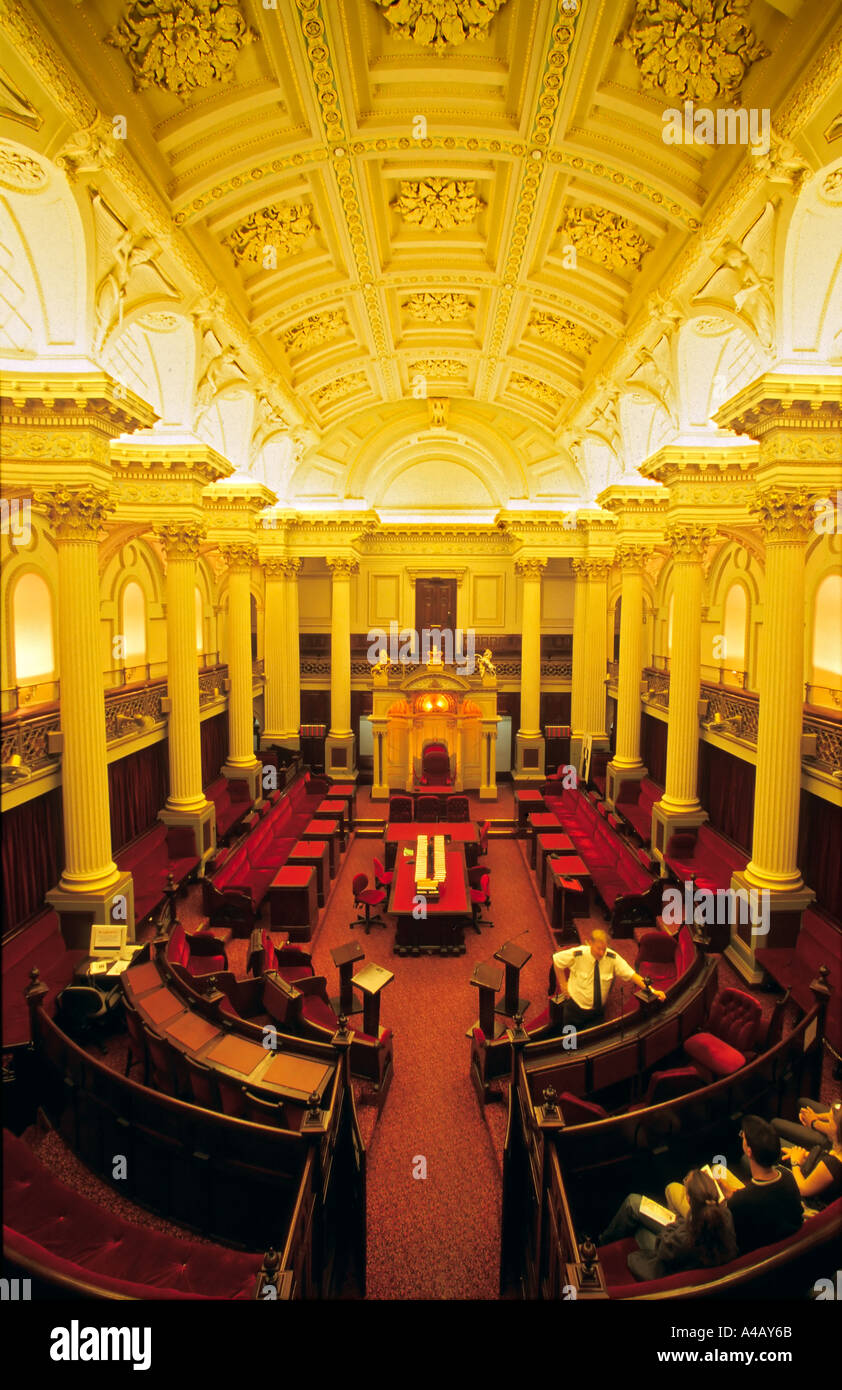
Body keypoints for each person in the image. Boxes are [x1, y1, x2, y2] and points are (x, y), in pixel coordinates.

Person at [666, 1115, 802, 1254]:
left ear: (749, 1150)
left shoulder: (740, 1203)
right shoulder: (788, 1177)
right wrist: (728, 1190)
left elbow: (724, 1229)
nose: (742, 1136)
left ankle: (679, 1232)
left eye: (743, 1136)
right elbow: (758, 1196)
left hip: (746, 1250)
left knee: (672, 1189)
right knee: (718, 1170)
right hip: (778, 1239)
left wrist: (708, 1196)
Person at [598, 1170, 738, 1281]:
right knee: (634, 1205)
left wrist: (679, 1223)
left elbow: (662, 1247)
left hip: (672, 1266)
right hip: (694, 1256)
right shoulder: (726, 1216)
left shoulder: (683, 1238)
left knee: (639, 1227)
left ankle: (601, 1244)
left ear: (688, 1199)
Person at [552, 928, 666, 1030]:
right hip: (575, 1009)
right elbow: (556, 960)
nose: (602, 953)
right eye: (598, 949)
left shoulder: (612, 957)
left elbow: (632, 975)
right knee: (570, 1043)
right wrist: (563, 984)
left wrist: (652, 990)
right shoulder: (578, 954)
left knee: (593, 1044)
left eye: (604, 949)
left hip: (597, 1012)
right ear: (590, 943)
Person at [781, 1100, 842, 1210]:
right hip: (810, 1165)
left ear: (837, 1131)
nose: (828, 1124)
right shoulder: (836, 1152)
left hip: (805, 1196)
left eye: (830, 1123)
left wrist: (795, 1162)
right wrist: (803, 1155)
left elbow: (803, 1188)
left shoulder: (833, 1164)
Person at [772, 1097, 838, 1151]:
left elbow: (835, 1132)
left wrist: (813, 1123)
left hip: (835, 1141)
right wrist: (817, 1116)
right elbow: (837, 1112)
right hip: (834, 1125)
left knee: (775, 1123)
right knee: (801, 1102)